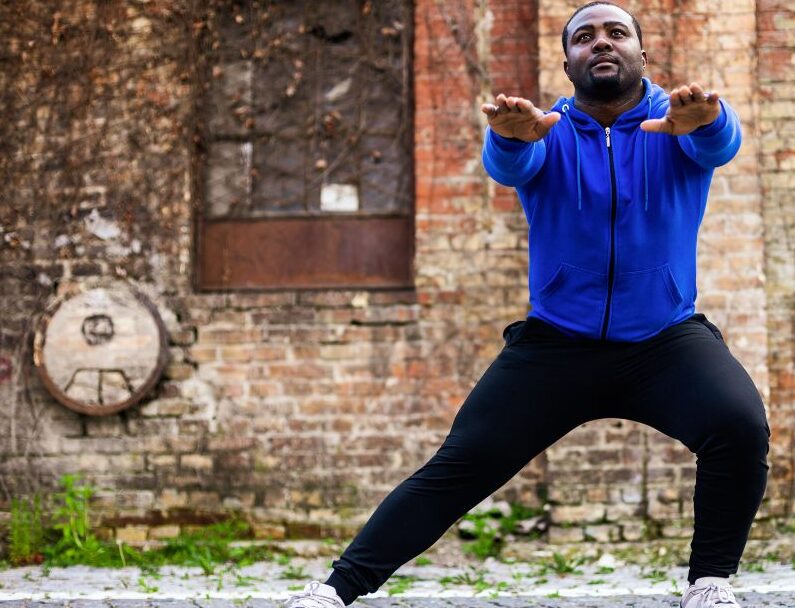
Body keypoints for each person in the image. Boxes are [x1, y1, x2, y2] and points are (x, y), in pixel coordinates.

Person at [286, 2, 769, 607]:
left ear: (642, 54)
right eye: (584, 37)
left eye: (617, 33)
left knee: (739, 425)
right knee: (461, 464)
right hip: (556, 346)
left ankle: (710, 582)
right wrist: (507, 137)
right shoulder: (549, 128)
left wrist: (709, 120)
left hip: (663, 340)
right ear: (566, 60)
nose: (601, 44)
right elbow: (512, 162)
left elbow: (718, 145)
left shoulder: (676, 124)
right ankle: (336, 590)